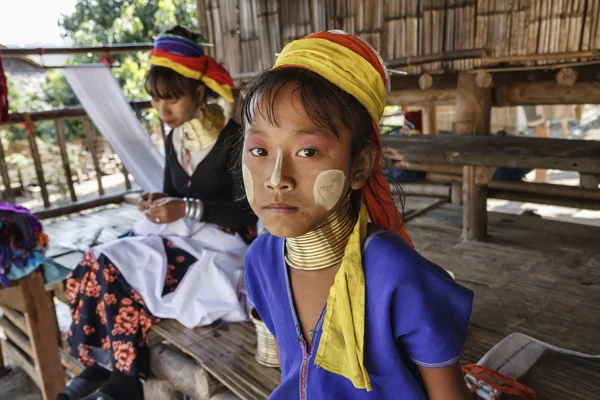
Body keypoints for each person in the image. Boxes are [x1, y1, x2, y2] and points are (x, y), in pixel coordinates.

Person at [241, 31, 474, 399]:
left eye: (307, 152)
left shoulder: (396, 276)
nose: (276, 179)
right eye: (258, 150)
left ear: (360, 166)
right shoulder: (260, 262)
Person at [58, 26, 257, 400]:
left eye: (172, 99)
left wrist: (186, 208)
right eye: (154, 100)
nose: (162, 110)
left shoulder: (233, 138)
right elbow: (172, 194)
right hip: (183, 236)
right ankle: (105, 364)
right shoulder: (174, 137)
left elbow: (248, 212)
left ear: (198, 92)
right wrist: (158, 200)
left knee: (120, 269)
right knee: (94, 261)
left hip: (224, 248)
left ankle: (123, 378)